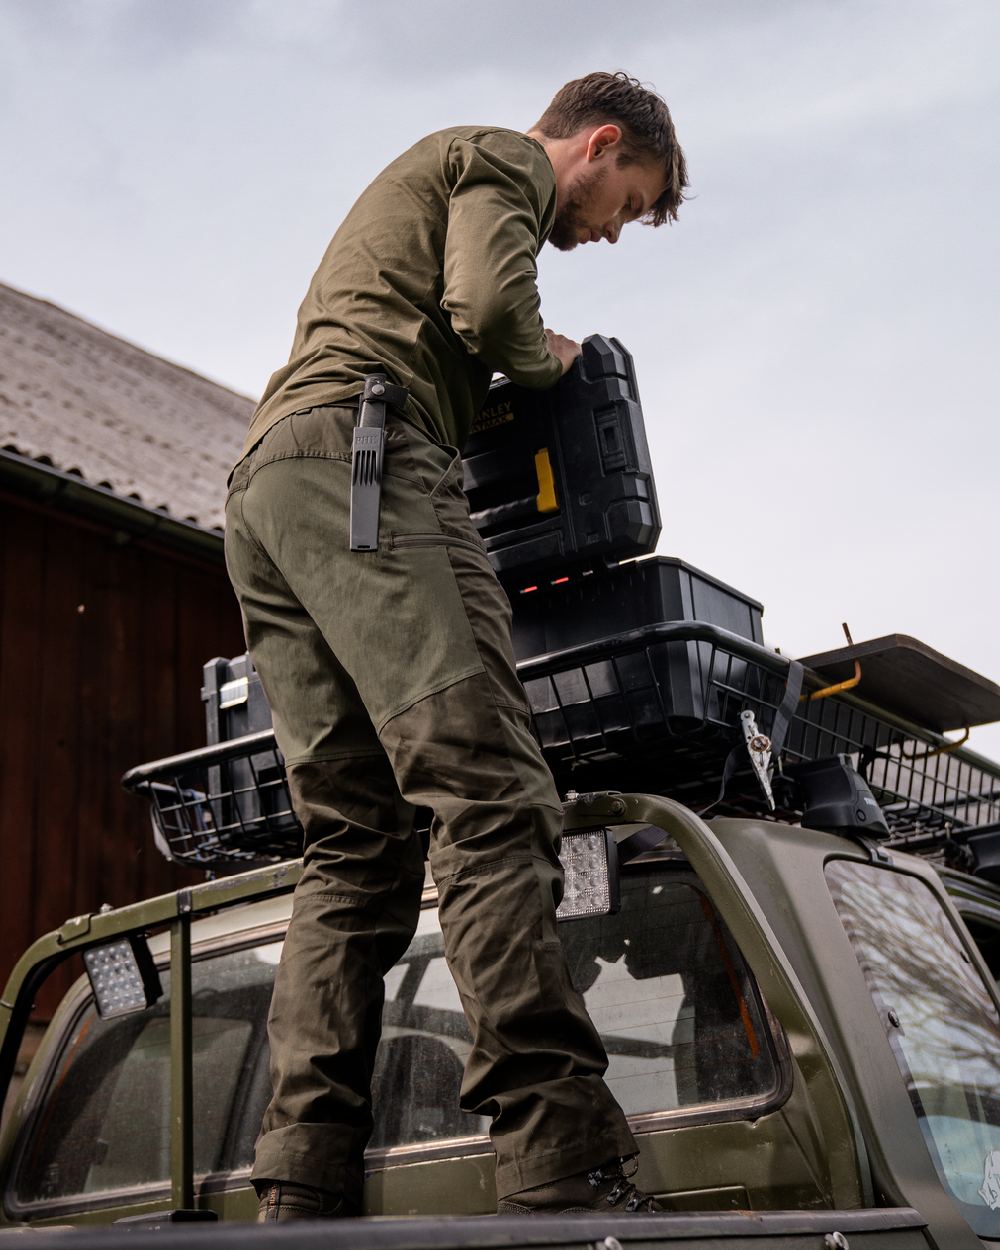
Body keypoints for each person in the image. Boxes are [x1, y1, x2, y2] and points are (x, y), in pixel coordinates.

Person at [224, 70, 688, 1222]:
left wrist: (483, 381)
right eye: (627, 202)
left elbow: (444, 328)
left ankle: (300, 1169)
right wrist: (551, 359)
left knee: (354, 848)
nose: (610, 230)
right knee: (486, 792)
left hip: (267, 488)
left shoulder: (422, 193)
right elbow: (488, 306)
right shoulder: (500, 160)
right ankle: (559, 1148)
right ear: (598, 143)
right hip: (367, 469)